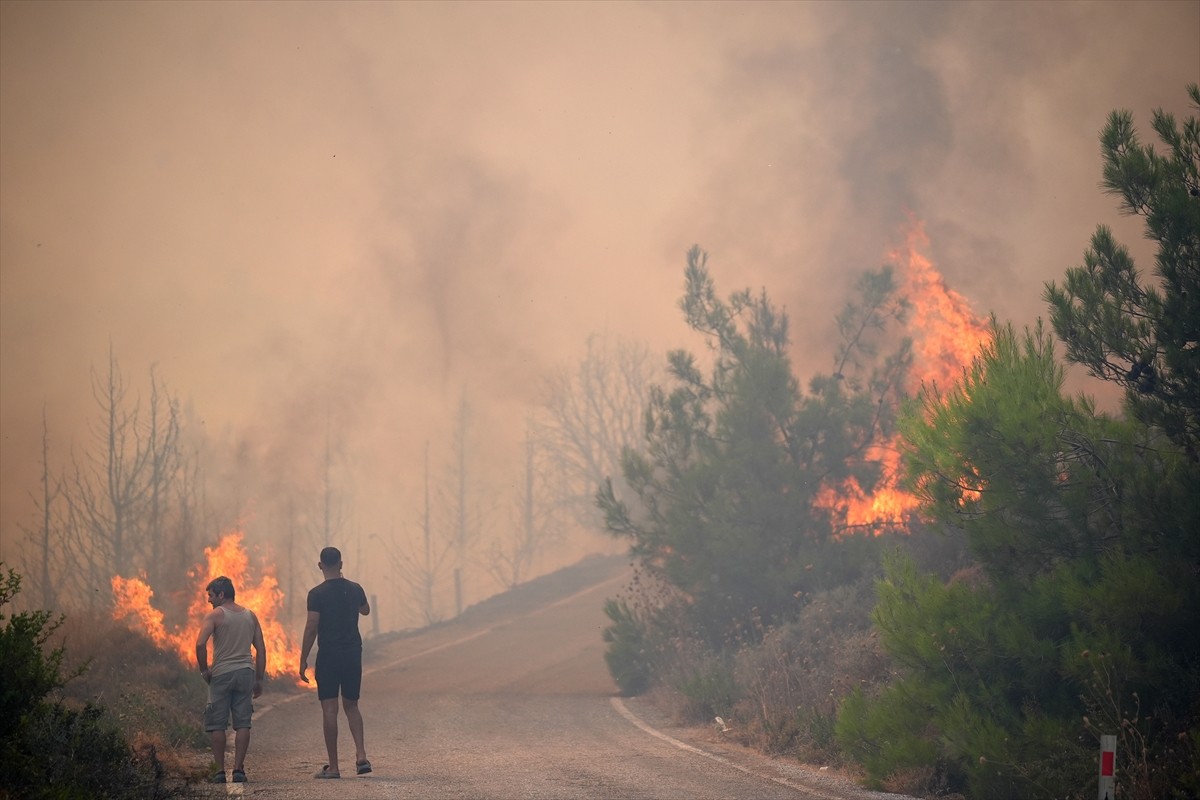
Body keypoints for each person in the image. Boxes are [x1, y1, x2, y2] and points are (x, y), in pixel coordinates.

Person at [299, 546, 372, 779]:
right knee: (352, 705)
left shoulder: (316, 594)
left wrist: (303, 658)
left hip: (329, 655)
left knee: (330, 708)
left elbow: (311, 627)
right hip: (352, 653)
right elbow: (366, 611)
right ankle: (361, 757)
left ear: (320, 565)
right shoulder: (355, 588)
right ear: (341, 564)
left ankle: (334, 767)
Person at [195, 575, 267, 784]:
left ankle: (219, 772)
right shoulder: (250, 616)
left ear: (221, 594)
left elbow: (200, 644)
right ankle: (238, 771)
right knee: (243, 722)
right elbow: (261, 649)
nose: (209, 600)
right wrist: (259, 678)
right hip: (245, 672)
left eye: (211, 595)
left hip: (222, 674)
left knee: (218, 724)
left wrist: (203, 671)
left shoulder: (215, 616)